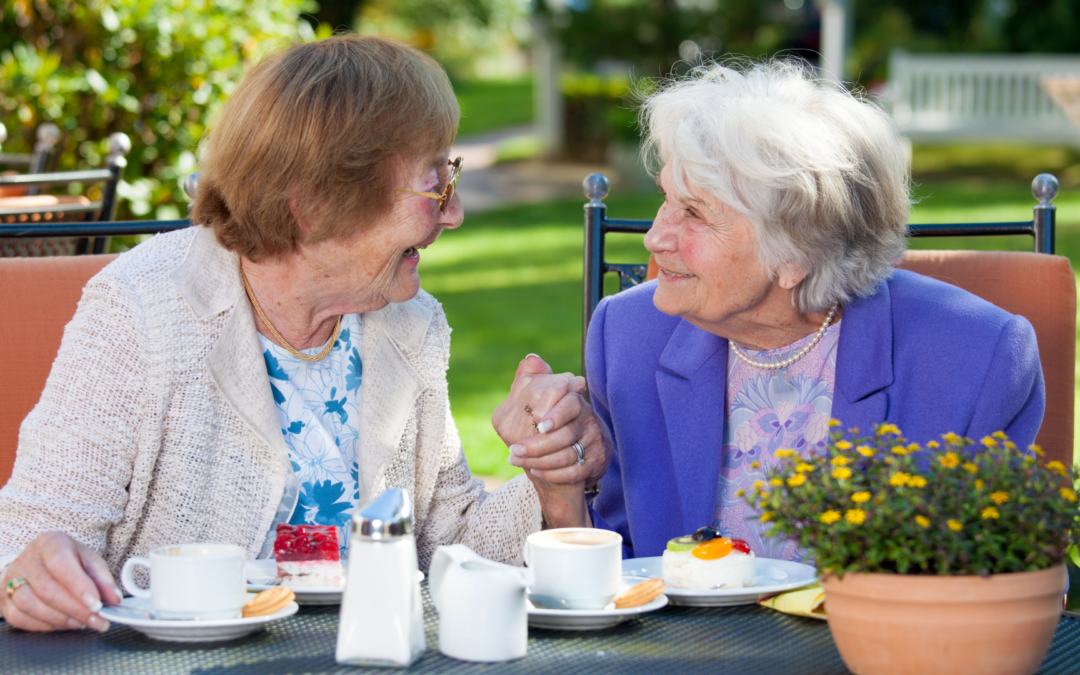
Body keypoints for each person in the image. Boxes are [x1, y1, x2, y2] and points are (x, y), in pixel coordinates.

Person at [0, 35, 610, 633]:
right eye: (434, 183)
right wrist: (33, 576)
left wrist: (552, 483)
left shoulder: (410, 324)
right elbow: (27, 543)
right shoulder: (143, 310)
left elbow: (445, 547)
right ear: (316, 204)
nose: (453, 212)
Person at [585, 60, 1044, 561]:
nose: (654, 238)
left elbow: (999, 583)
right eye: (665, 199)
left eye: (695, 212)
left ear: (796, 254)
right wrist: (560, 487)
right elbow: (621, 562)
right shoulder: (626, 336)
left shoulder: (977, 359)